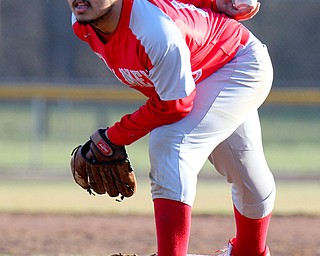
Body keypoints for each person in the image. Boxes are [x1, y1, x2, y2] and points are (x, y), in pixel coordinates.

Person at [66, 0, 276, 255]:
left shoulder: (155, 30)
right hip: (197, 71)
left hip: (236, 64)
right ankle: (250, 252)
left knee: (170, 142)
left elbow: (175, 104)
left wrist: (113, 137)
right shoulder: (83, 20)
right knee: (245, 172)